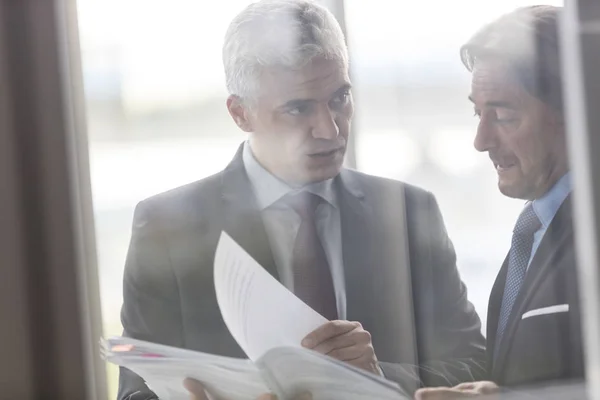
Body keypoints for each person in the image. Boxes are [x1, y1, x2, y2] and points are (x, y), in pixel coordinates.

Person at [117, 1, 486, 399]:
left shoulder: (410, 212)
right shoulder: (166, 227)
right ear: (240, 113)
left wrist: (379, 376)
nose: (329, 129)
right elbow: (135, 392)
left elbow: (476, 366)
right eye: (298, 108)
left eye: (340, 98)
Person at [416, 6, 584, 399]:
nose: (481, 140)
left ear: (575, 111)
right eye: (478, 112)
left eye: (504, 116)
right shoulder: (532, 235)